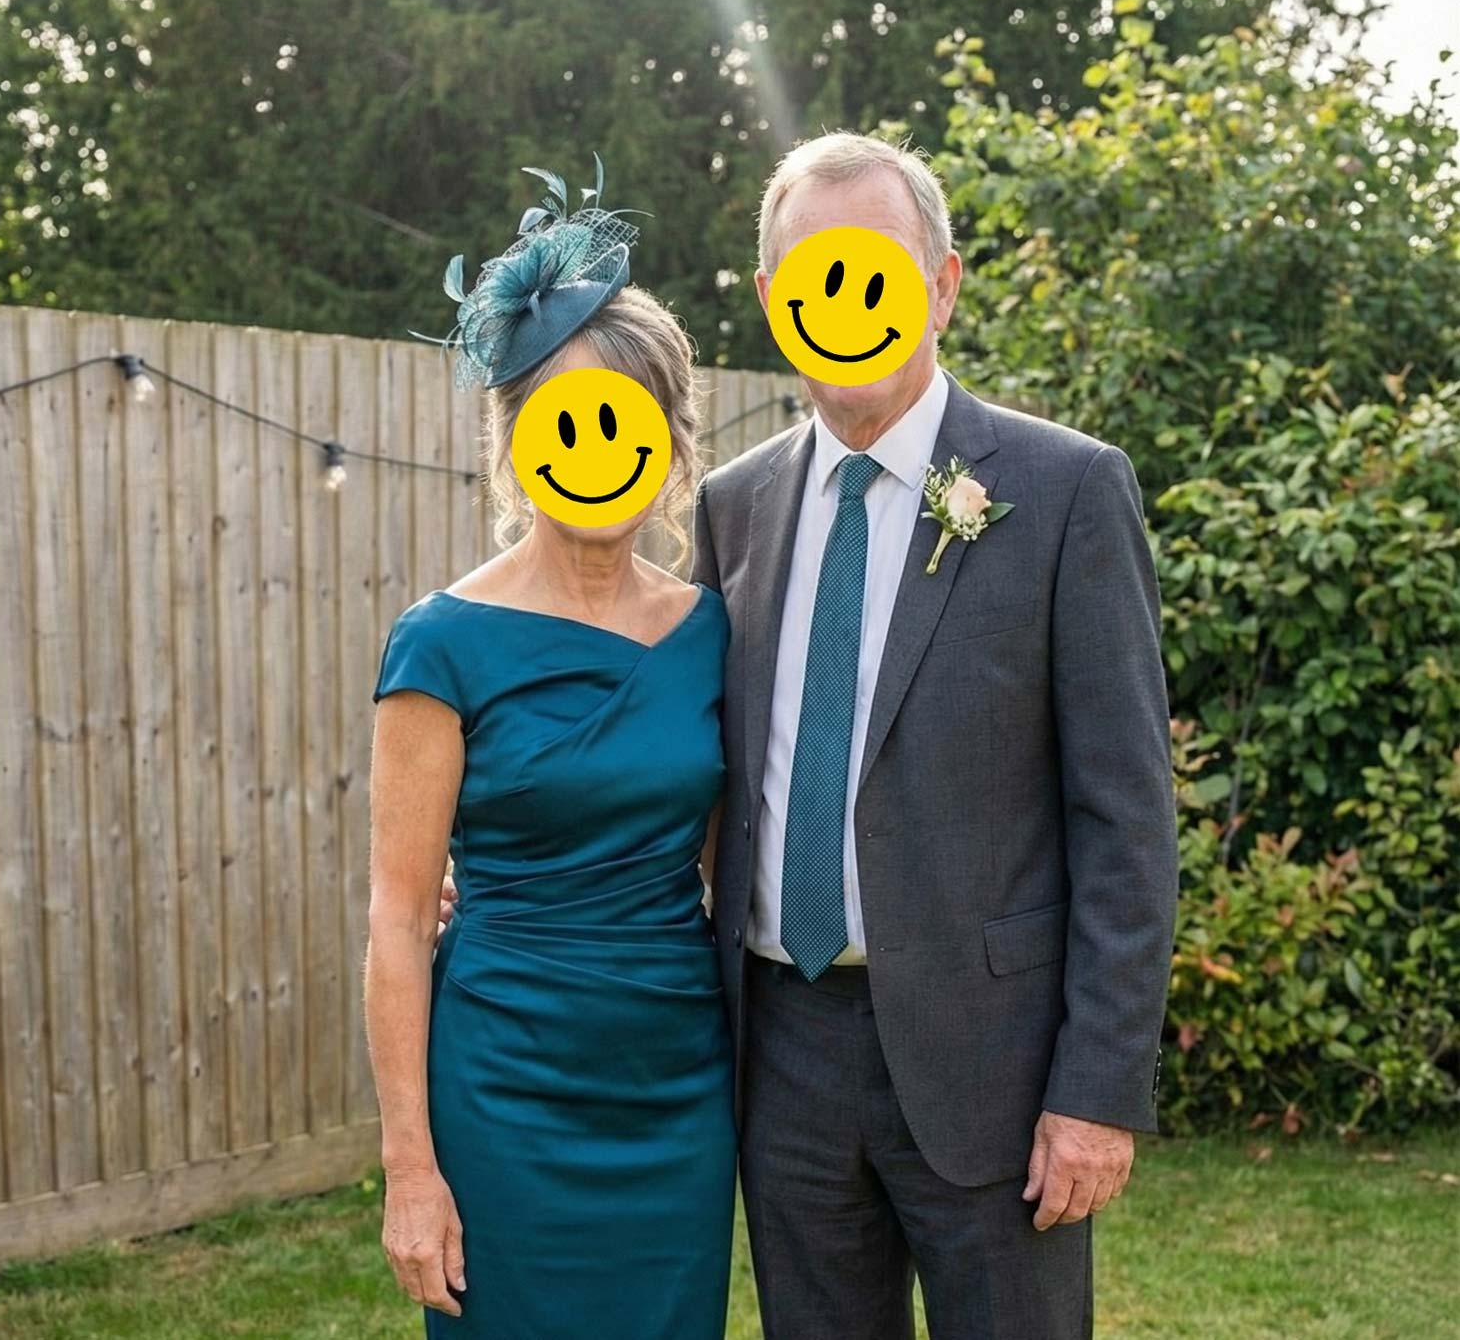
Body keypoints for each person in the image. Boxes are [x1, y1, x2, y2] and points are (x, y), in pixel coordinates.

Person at [691, 130, 1179, 1340]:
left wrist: (1097, 1089)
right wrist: (501, 871)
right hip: (783, 1054)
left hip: (995, 1064)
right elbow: (692, 769)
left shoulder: (1066, 491)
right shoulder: (732, 508)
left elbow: (1125, 818)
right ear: (774, 300)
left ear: (943, 285)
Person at [365, 162, 736, 1339]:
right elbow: (396, 918)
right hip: (503, 1087)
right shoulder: (441, 645)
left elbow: (734, 864)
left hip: (676, 1088)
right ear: (516, 442)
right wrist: (410, 1169)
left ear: (669, 444)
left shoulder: (711, 632)